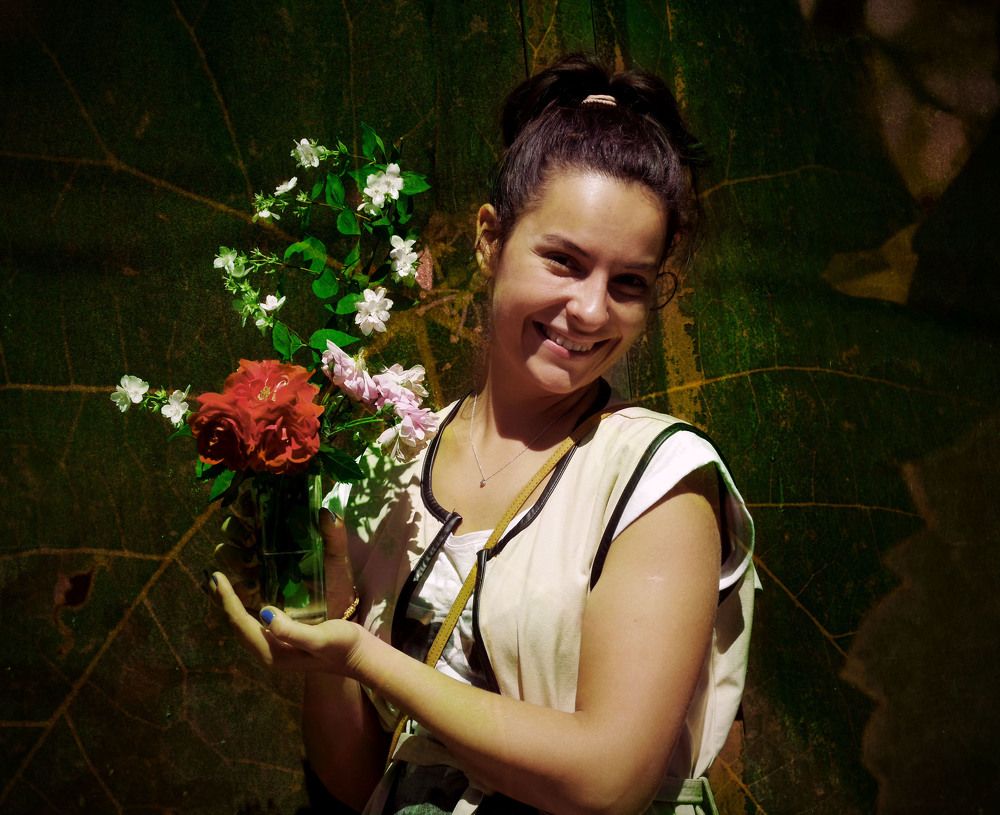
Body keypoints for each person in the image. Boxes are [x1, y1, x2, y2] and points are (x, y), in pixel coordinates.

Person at [213, 53, 757, 815]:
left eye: (628, 282)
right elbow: (359, 780)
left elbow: (609, 781)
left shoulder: (659, 479)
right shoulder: (392, 464)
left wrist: (365, 654)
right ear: (490, 239)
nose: (592, 310)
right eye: (563, 261)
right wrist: (322, 645)